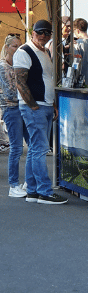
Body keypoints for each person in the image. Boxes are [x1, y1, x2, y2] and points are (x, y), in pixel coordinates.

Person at [13, 20, 68, 204]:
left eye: (47, 32)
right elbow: (20, 81)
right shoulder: (24, 51)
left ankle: (33, 190)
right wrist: (33, 105)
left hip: (43, 104)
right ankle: (44, 191)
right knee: (39, 149)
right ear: (32, 33)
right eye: (39, 32)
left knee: (35, 149)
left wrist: (50, 104)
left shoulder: (44, 51)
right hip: (34, 106)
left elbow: (46, 78)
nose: (43, 35)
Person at [0, 34, 29, 196]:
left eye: (20, 45)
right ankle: (13, 185)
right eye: (14, 46)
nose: (18, 49)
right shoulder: (3, 66)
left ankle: (28, 182)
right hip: (11, 109)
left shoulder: (18, 63)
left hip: (23, 107)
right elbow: (10, 92)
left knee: (32, 145)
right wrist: (27, 93)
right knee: (17, 148)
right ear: (6, 47)